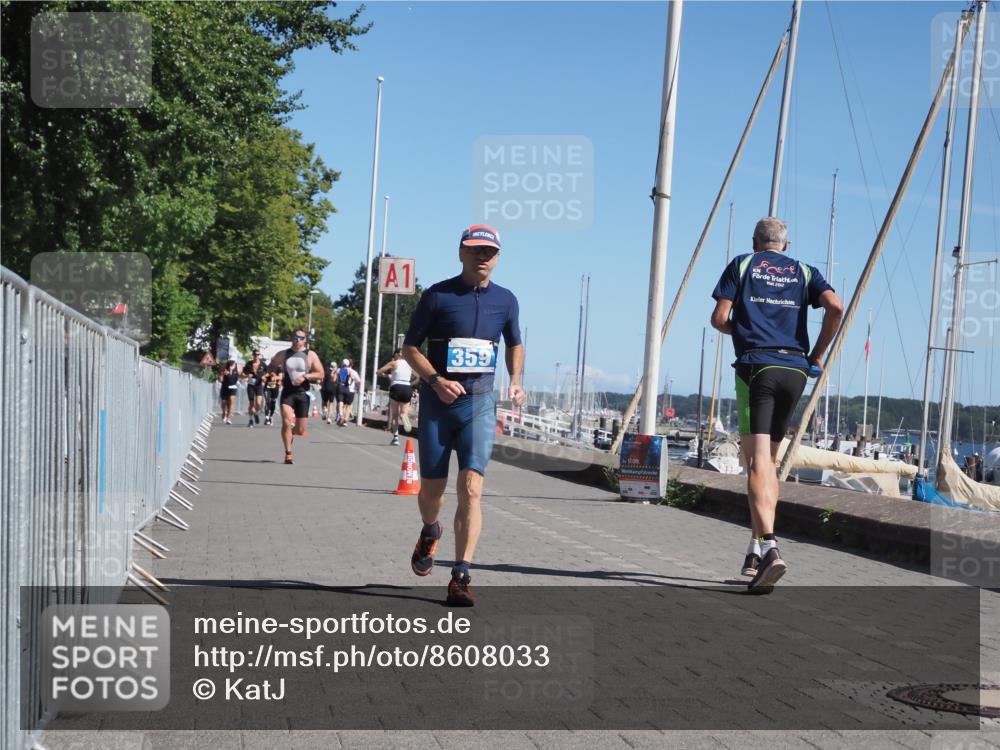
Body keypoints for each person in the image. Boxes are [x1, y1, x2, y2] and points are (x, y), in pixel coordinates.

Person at [711, 217, 843, 594]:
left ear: (756, 243)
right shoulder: (805, 271)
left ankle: (769, 547)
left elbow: (719, 319)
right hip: (795, 371)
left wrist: (744, 330)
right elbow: (835, 307)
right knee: (768, 464)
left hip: (757, 369)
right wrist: (816, 354)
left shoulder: (742, 264)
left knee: (755, 464)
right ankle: (755, 551)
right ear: (786, 245)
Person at [402, 224, 524, 607]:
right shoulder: (437, 295)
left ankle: (461, 574)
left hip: (479, 404)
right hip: (438, 405)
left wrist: (516, 380)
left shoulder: (506, 300)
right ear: (461, 253)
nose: (482, 257)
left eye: (489, 252)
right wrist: (436, 380)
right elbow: (409, 348)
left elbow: (515, 344)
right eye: (475, 250)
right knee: (431, 493)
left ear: (498, 257)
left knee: (471, 488)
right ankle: (430, 529)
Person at [267, 329, 324, 464]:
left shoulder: (310, 355)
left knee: (300, 430)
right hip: (288, 392)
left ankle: (291, 432)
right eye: (295, 337)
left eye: (300, 338)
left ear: (305, 340)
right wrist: (273, 375)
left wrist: (305, 376)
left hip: (303, 394)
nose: (297, 340)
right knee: (286, 421)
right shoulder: (283, 354)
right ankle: (288, 453)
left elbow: (320, 374)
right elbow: (271, 366)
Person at [377, 348, 416, 446]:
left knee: (395, 415)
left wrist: (388, 376)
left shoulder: (394, 363)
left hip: (396, 386)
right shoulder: (410, 364)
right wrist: (410, 384)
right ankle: (404, 418)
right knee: (403, 413)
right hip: (407, 387)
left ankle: (395, 438)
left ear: (397, 355)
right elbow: (420, 377)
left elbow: (379, 372)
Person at [241, 349, 265, 428]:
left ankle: (255, 413)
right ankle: (250, 420)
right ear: (253, 355)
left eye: (258, 354)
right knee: (251, 404)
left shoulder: (263, 364)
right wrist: (247, 376)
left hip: (259, 385)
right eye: (255, 354)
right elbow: (242, 374)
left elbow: (268, 372)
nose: (256, 356)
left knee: (258, 403)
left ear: (259, 355)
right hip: (251, 385)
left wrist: (264, 376)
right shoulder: (249, 364)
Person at [334, 358, 361, 426]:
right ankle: (345, 420)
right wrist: (357, 386)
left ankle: (341, 415)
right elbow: (358, 381)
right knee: (348, 405)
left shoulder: (339, 370)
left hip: (340, 387)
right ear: (351, 364)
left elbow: (334, 379)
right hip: (350, 390)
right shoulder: (353, 371)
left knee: (341, 403)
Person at [321, 357, 340, 424]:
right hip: (332, 389)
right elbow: (335, 380)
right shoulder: (336, 371)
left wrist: (321, 384)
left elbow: (322, 378)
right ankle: (329, 418)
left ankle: (324, 410)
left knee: (324, 401)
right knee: (331, 403)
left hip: (324, 388)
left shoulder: (325, 369)